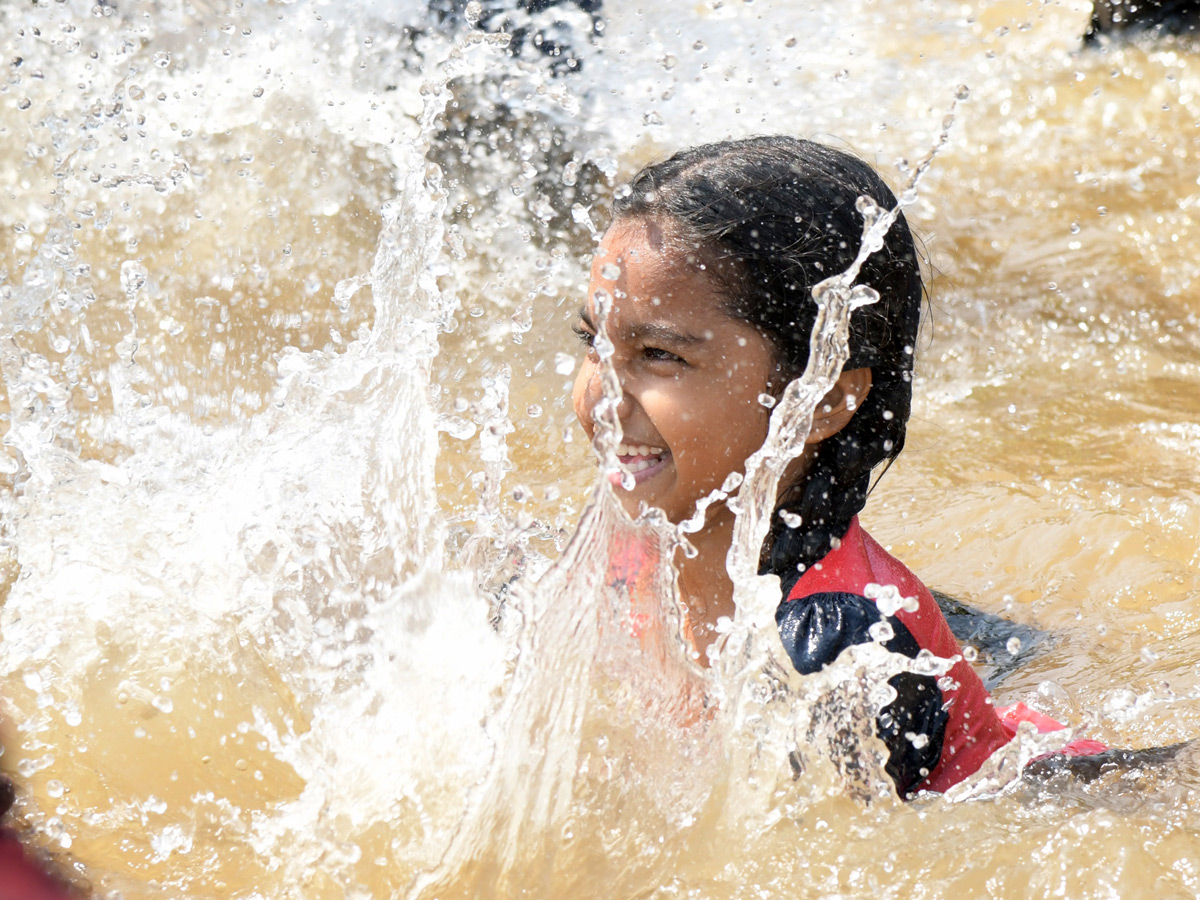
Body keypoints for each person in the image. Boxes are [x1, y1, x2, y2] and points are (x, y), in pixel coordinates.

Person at [570, 135, 1105, 797]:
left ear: (821, 396)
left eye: (659, 355)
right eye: (593, 342)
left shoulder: (840, 655)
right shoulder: (633, 545)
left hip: (1044, 793)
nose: (603, 398)